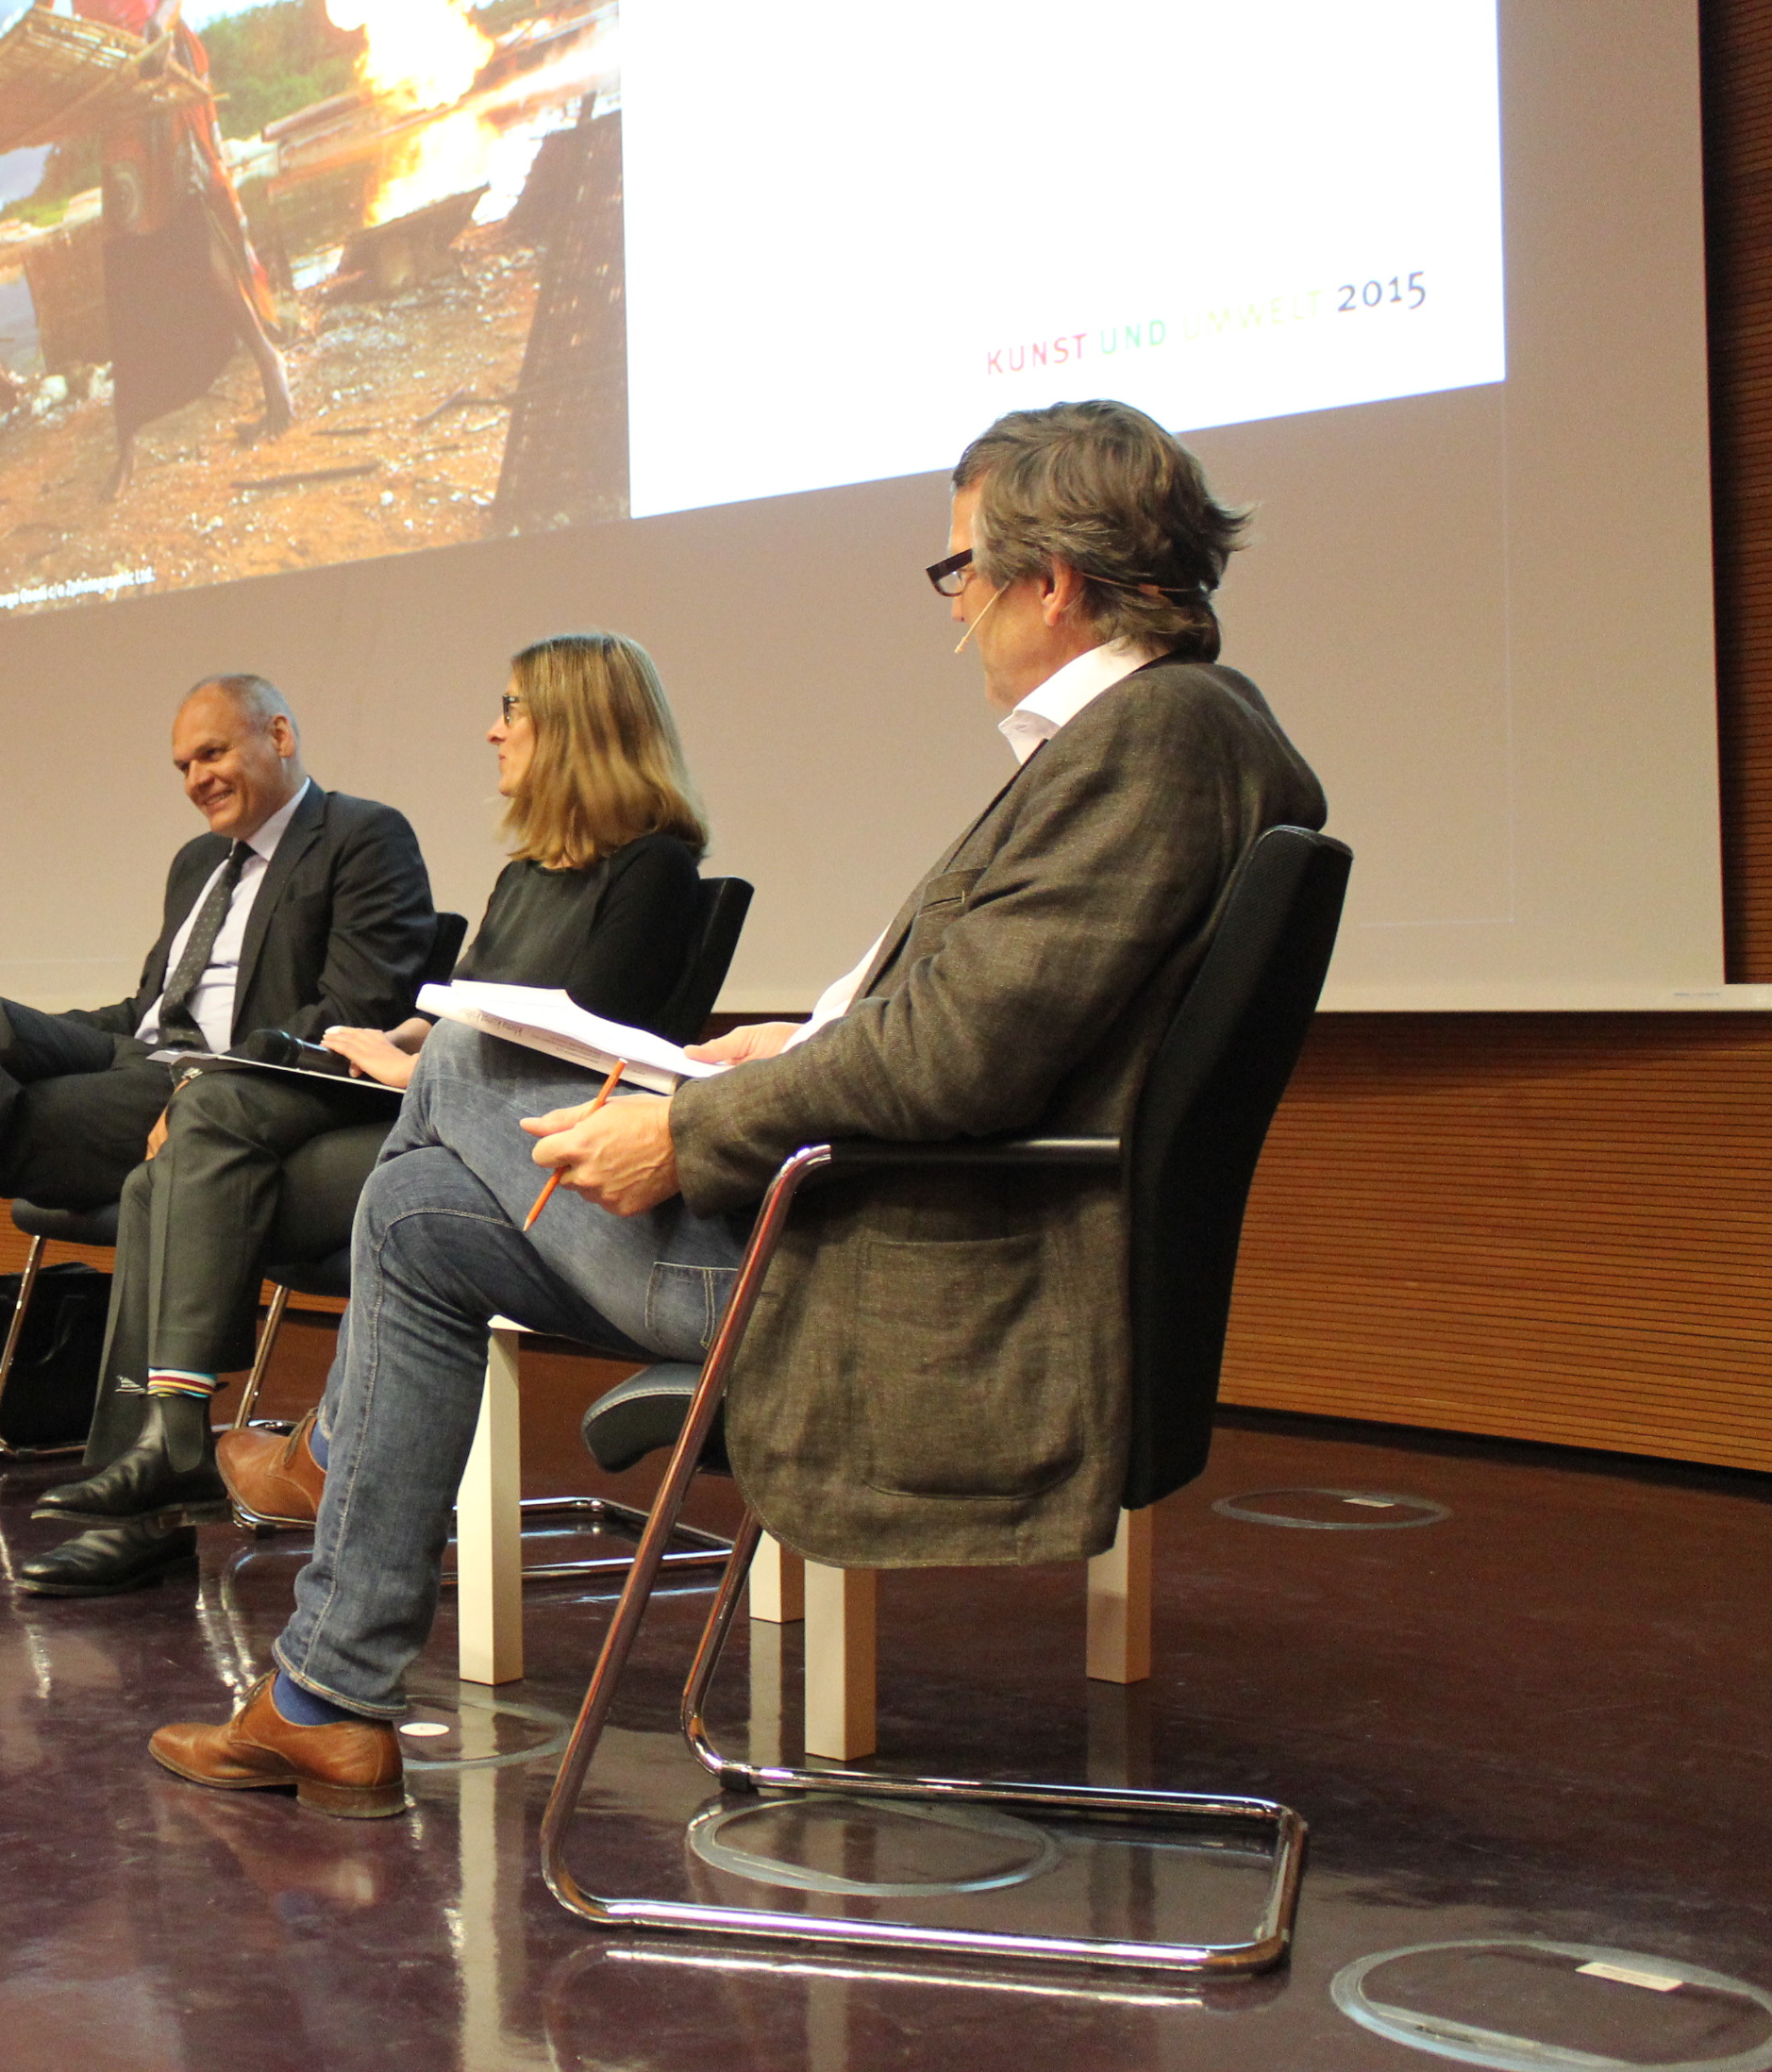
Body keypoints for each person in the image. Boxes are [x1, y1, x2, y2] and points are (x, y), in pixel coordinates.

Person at [148, 400, 1329, 1816]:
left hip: (913, 1279)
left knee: (459, 1065)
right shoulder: (1183, 735)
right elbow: (992, 1013)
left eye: (962, 573)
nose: (955, 611)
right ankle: (322, 1701)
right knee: (410, 1212)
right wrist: (804, 1037)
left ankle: (324, 1542)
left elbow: (969, 1058)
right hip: (895, 1222)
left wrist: (688, 1128)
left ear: (1052, 583)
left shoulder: (1155, 743)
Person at [15, 633, 712, 1596]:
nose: (493, 732)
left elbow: (580, 1049)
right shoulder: (524, 877)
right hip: (428, 1108)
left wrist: (412, 1065)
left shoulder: (653, 873)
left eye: (512, 712)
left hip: (515, 1153)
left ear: (576, 726)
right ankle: (160, 1459)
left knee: (179, 1168)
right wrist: (394, 1048)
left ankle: (161, 1474)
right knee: (177, 1154)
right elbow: (454, 1020)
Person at [0, 674, 436, 1505]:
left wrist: (206, 1075)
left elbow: (358, 1011)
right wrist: (49, 1034)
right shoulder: (197, 863)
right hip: (146, 1062)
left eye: (212, 753)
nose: (195, 780)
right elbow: (151, 1010)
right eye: (181, 765)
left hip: (234, 1090)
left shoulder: (362, 836)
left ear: (280, 736)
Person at [33, 0, 293, 490]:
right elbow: (40, 28)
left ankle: (270, 367)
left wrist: (161, 22)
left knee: (201, 229)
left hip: (167, 75)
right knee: (127, 254)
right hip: (120, 99)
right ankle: (128, 439)